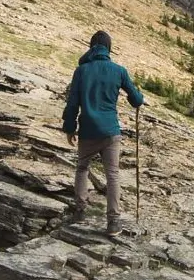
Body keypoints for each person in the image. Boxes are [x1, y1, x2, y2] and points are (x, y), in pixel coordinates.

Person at [62, 30, 144, 237]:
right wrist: (139, 95)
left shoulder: (81, 71)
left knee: (82, 168)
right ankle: (113, 223)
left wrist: (69, 128)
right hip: (110, 131)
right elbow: (136, 100)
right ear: (109, 48)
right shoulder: (119, 71)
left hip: (88, 131)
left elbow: (72, 103)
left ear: (91, 47)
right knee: (113, 174)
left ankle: (80, 212)